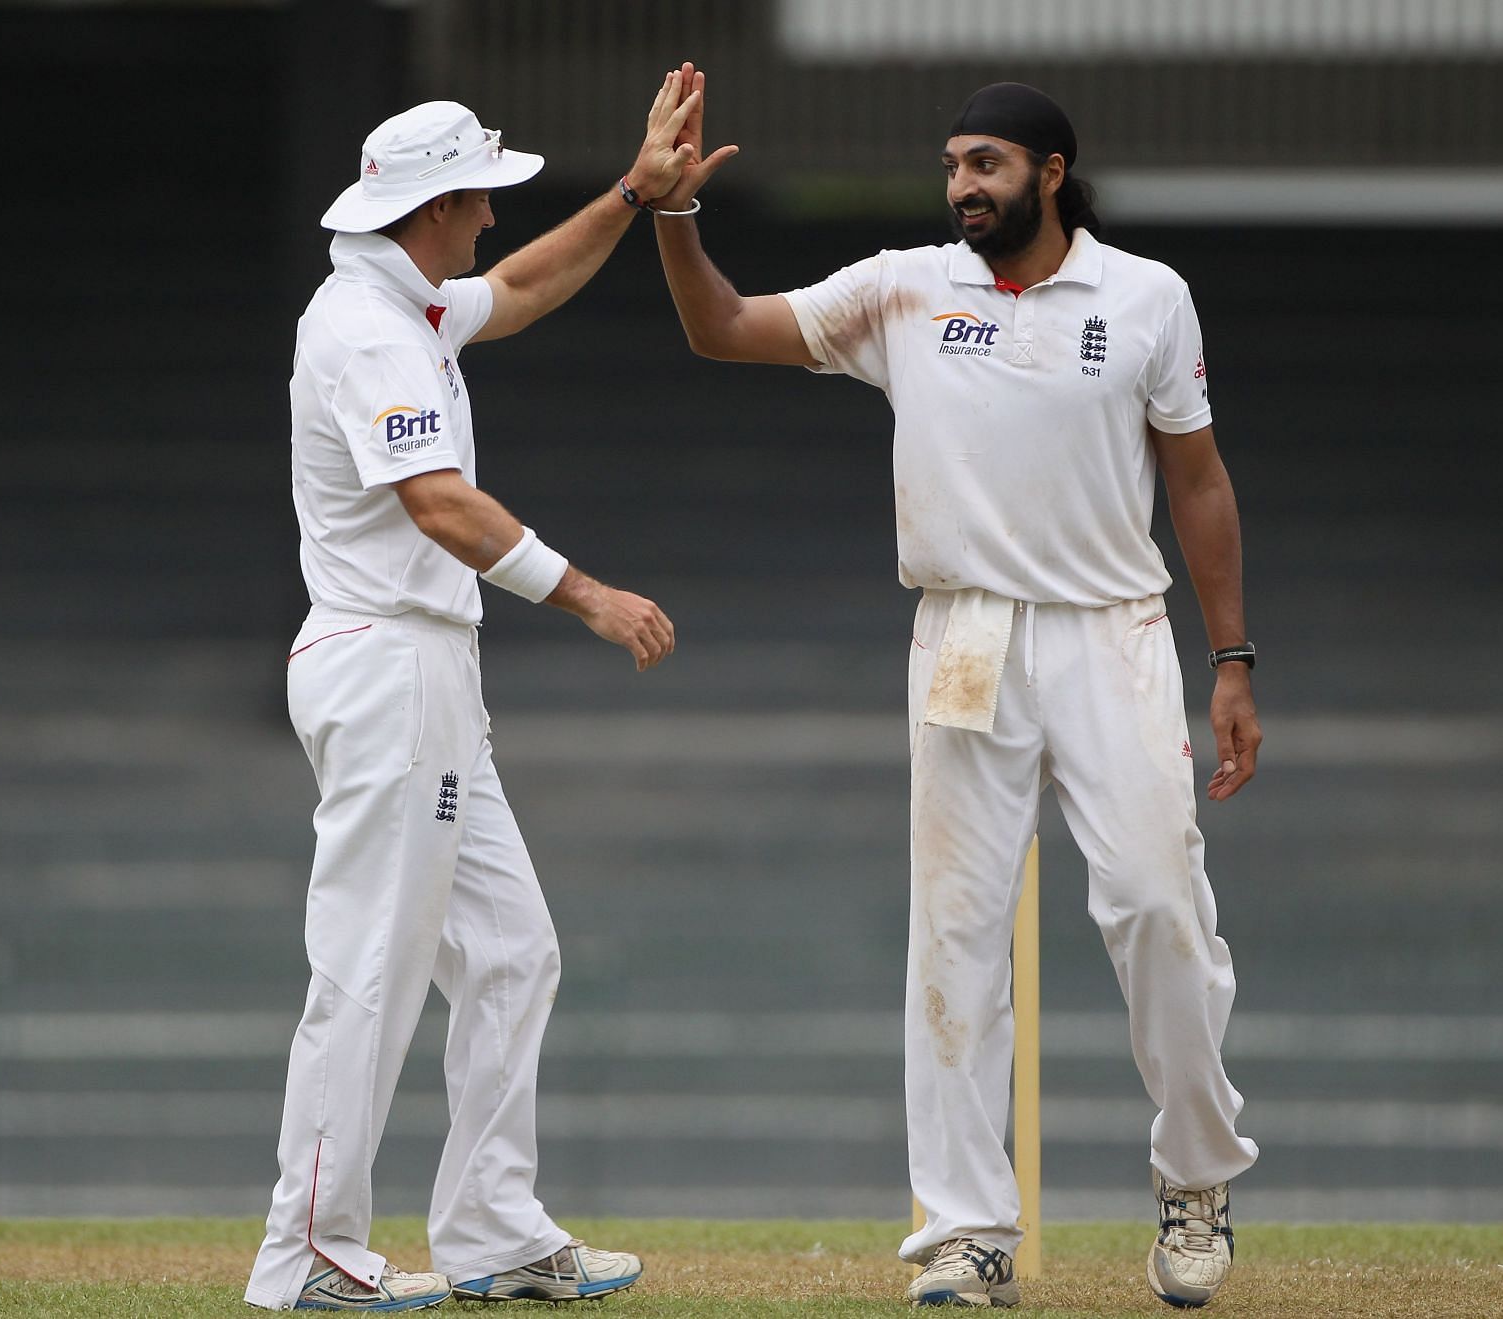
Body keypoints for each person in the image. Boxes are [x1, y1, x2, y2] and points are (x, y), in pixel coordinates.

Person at [649, 75, 1261, 1310]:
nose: (961, 187)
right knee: (958, 935)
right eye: (950, 166)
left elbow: (1197, 482)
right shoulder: (905, 286)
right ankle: (966, 1232)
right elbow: (722, 328)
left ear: (1049, 171)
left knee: (1156, 905)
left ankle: (1196, 1176)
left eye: (984, 164)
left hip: (1109, 631)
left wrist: (1232, 657)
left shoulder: (1146, 297)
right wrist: (671, 216)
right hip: (965, 633)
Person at [244, 74, 701, 1312]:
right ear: (434, 205)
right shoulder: (367, 330)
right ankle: (312, 1256)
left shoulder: (410, 301)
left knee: (511, 953)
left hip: (422, 665)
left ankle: (493, 1228)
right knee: (369, 967)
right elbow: (436, 503)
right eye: (481, 200)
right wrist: (591, 596)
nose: (494, 219)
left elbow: (532, 285)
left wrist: (629, 193)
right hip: (388, 662)